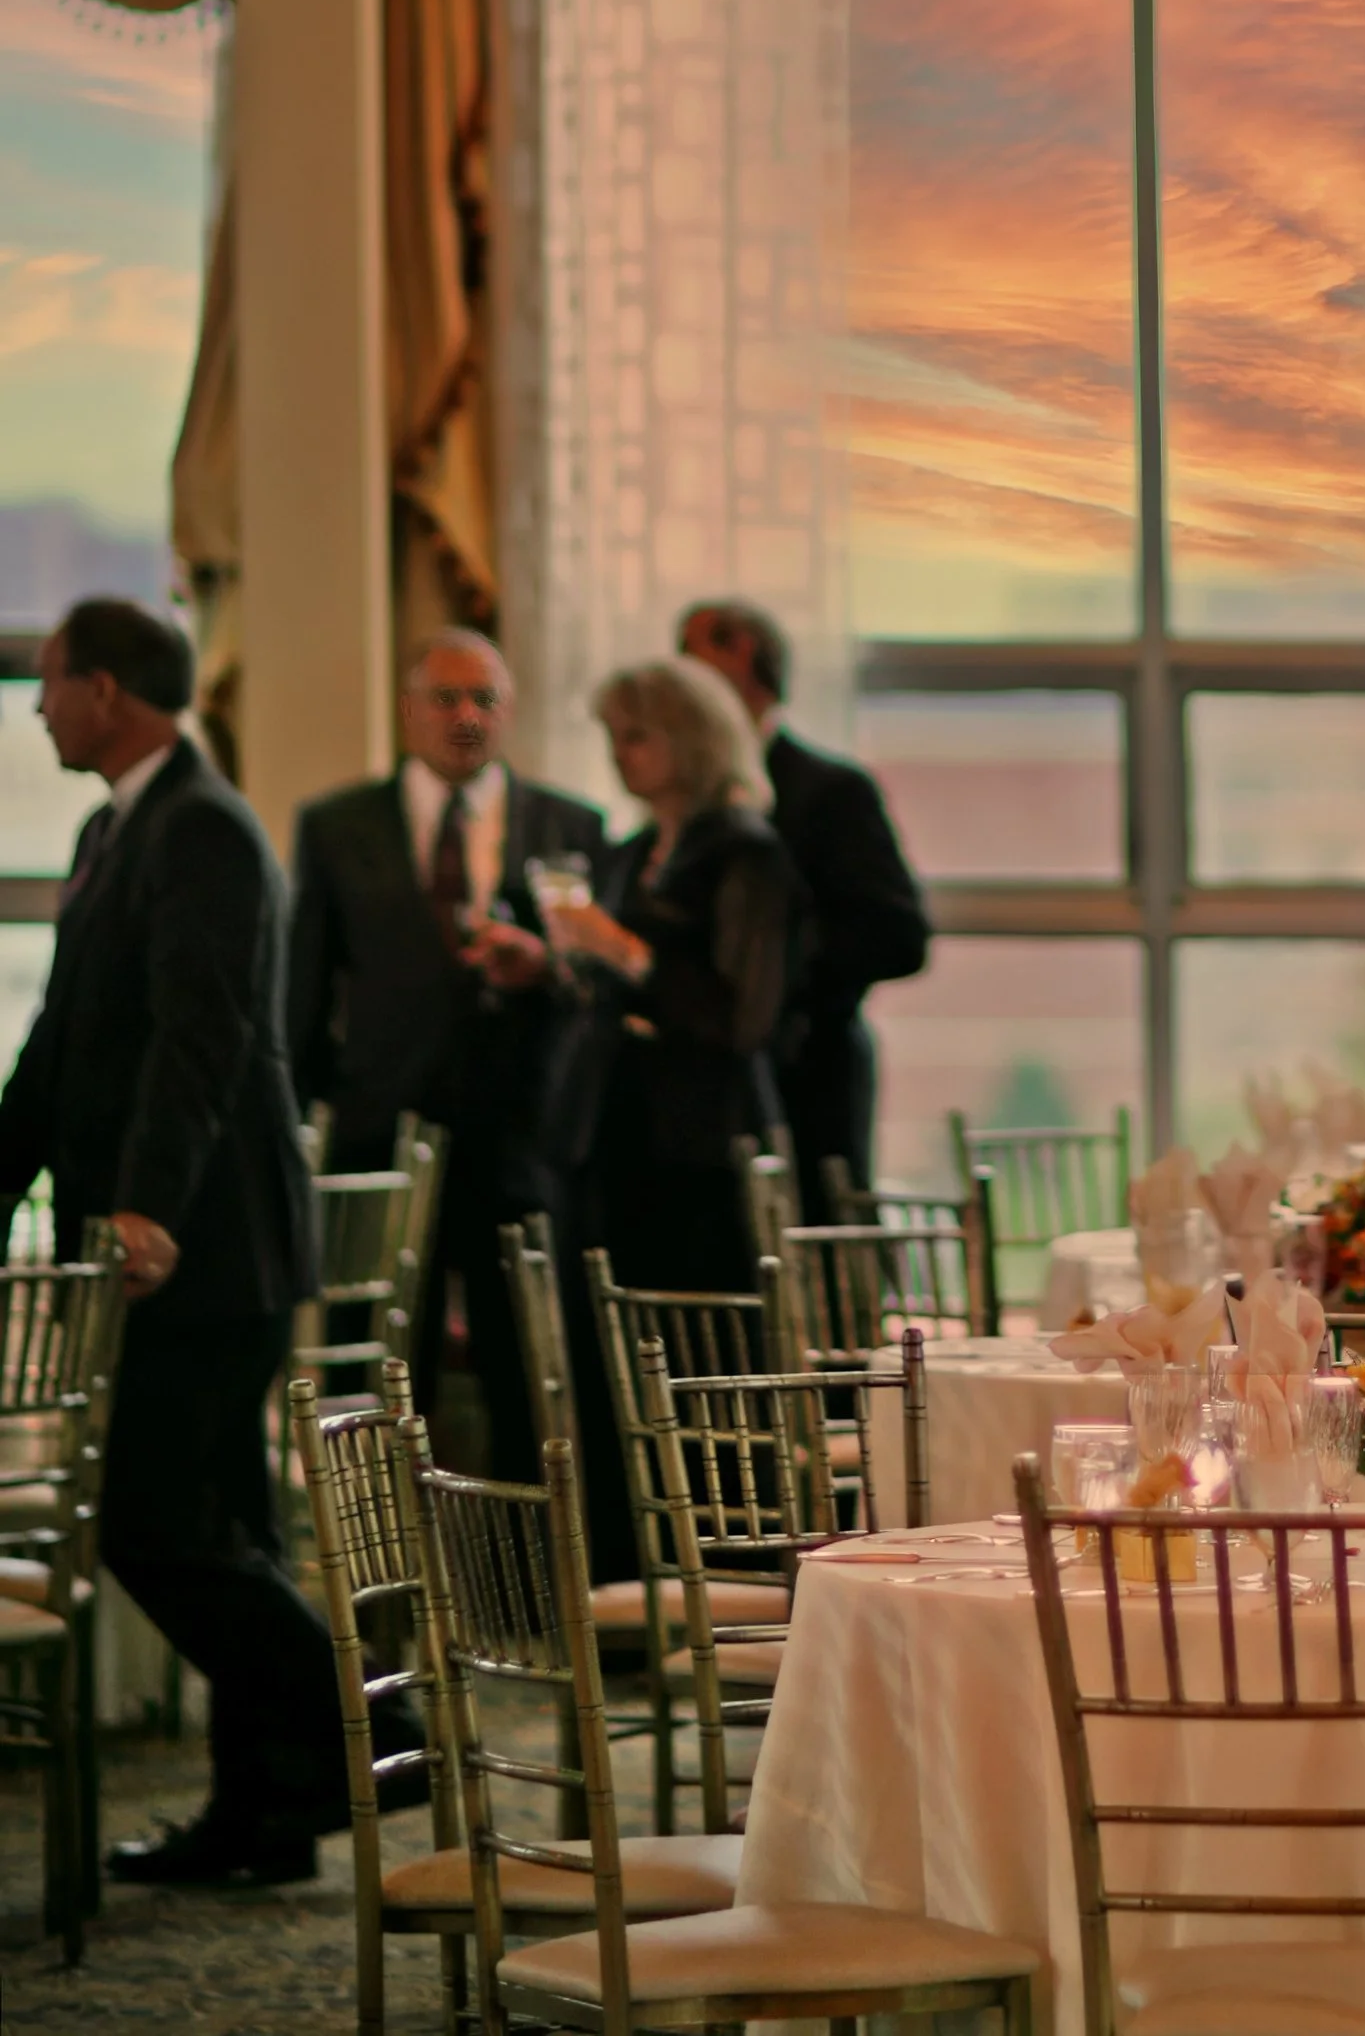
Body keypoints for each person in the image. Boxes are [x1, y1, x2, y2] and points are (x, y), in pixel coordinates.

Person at [0, 598, 352, 1887]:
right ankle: (264, 1817)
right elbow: (62, 1046)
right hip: (169, 1247)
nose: (38, 707)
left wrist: (145, 1204)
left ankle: (373, 1719)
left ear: (107, 690)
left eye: (50, 682)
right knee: (228, 1529)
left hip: (207, 1247)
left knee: (153, 1522)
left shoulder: (203, 825)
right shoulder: (114, 827)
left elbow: (201, 1035)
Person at [287, 627, 603, 1479]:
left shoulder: (569, 825)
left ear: (509, 710)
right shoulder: (337, 826)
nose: (466, 716)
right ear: (408, 709)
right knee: (380, 1371)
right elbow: (303, 993)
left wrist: (546, 966)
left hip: (523, 1135)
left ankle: (534, 1548)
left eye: (484, 698)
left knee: (526, 1373)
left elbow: (597, 988)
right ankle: (380, 1546)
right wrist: (309, 1120)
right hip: (383, 1130)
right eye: (446, 697)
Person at [543, 655, 790, 1577]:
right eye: (612, 737)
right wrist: (557, 962)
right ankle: (623, 1576)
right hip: (609, 1139)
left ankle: (722, 1579)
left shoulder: (746, 853)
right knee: (610, 1361)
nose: (621, 755)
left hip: (697, 1152)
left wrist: (627, 953)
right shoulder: (627, 851)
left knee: (697, 1364)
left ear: (690, 739)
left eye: (637, 736)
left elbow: (743, 1017)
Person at [677, 599, 929, 1215]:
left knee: (819, 1243)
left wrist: (775, 970)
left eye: (695, 662)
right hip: (708, 1098)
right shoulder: (687, 805)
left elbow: (897, 936)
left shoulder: (830, 791)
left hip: (810, 1075)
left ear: (748, 663)